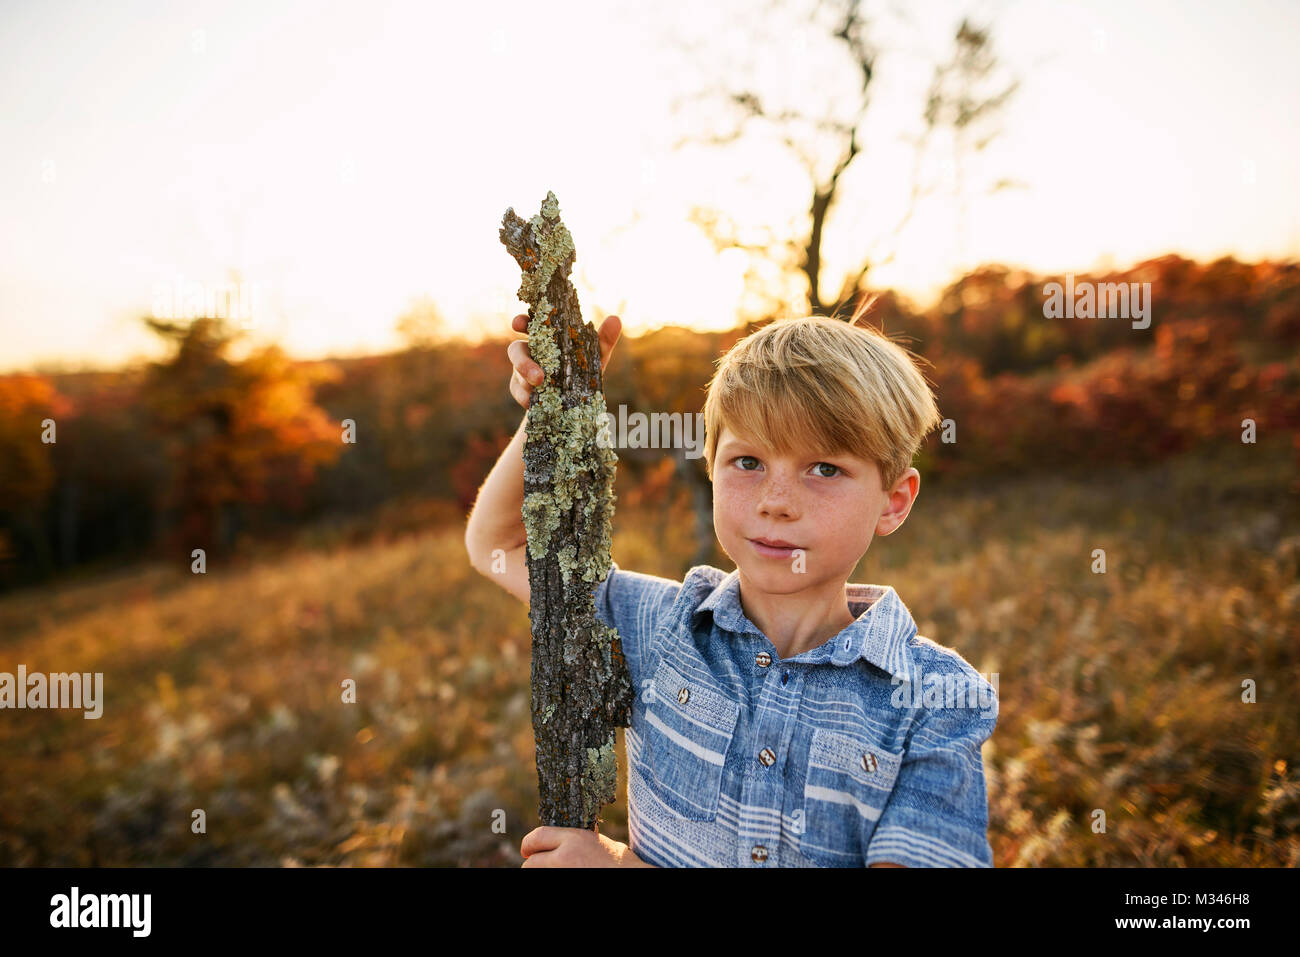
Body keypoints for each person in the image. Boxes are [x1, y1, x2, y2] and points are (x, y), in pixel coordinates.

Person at [464, 300, 998, 867]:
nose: (776, 502)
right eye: (748, 462)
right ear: (711, 467)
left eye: (825, 469)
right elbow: (500, 547)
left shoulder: (934, 702)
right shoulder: (660, 624)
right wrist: (555, 412)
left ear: (893, 503)